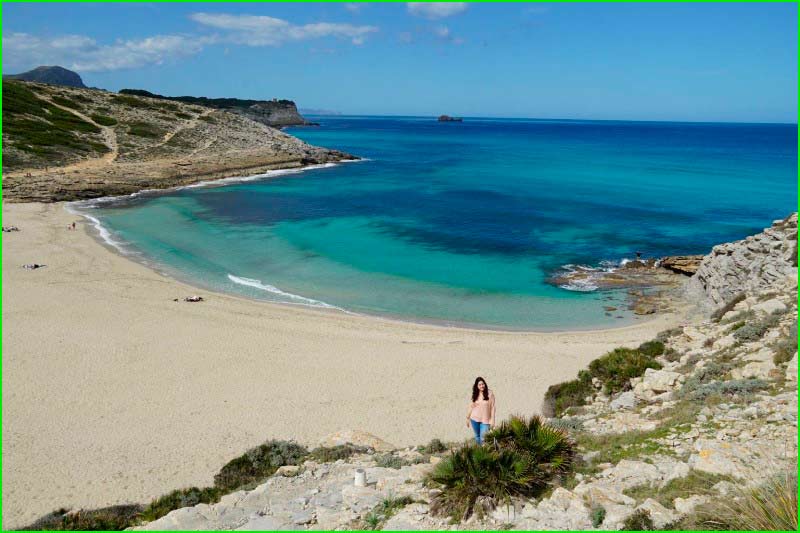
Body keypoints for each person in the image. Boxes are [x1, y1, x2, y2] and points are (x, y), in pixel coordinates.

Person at [466, 377, 496, 445]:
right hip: (474, 419)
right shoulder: (475, 394)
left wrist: (493, 421)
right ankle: (480, 452)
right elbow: (471, 406)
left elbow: (493, 407)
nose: (482, 386)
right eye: (479, 385)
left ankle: (484, 452)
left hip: (486, 420)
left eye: (483, 384)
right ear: (477, 386)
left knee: (483, 438)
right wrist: (467, 418)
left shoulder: (490, 393)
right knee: (477, 436)